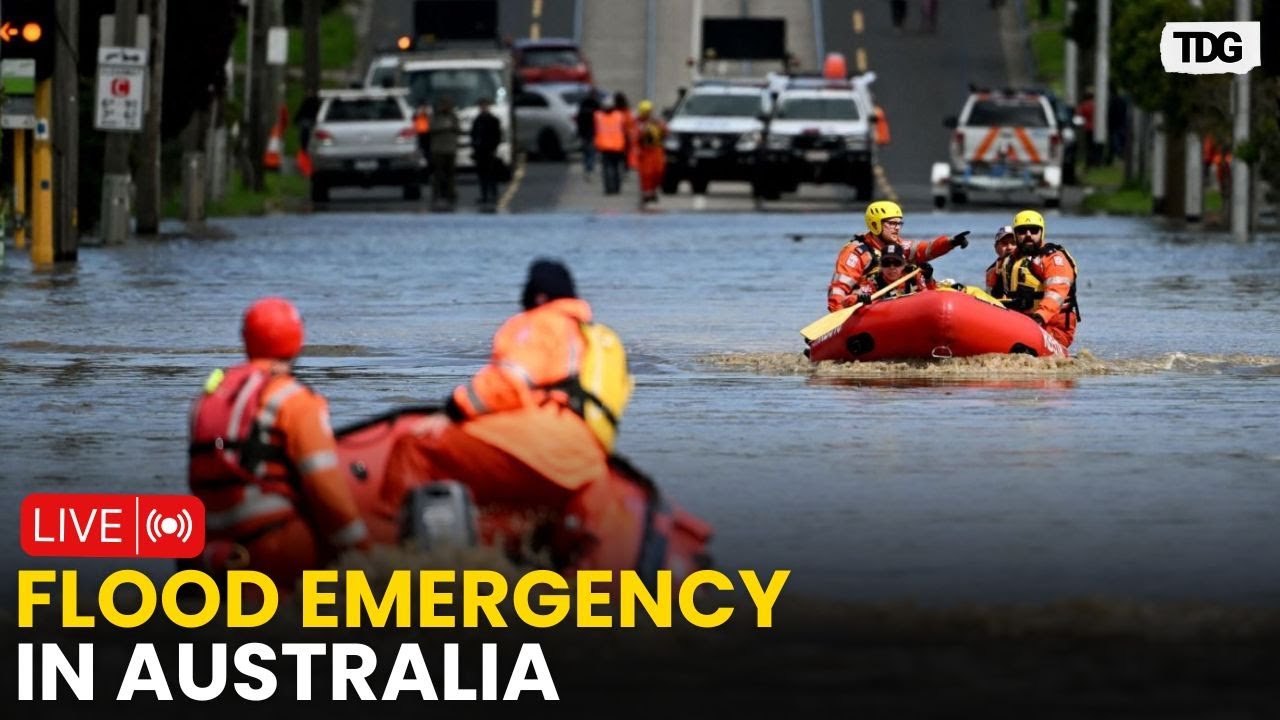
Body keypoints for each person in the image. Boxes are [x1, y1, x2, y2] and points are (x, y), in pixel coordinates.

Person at [383, 260, 631, 568]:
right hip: (585, 464)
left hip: (539, 448)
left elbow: (508, 381)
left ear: (539, 296)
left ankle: (385, 551)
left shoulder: (542, 322)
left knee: (414, 446)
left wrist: (453, 411)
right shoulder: (596, 340)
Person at [188, 297, 369, 590]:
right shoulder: (294, 400)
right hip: (272, 548)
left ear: (245, 338)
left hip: (208, 553)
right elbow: (326, 488)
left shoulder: (208, 397)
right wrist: (364, 554)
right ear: (298, 340)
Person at [827, 200, 970, 312]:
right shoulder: (856, 252)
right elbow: (839, 287)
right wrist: (838, 311)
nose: (897, 228)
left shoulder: (900, 246)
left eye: (899, 223)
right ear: (875, 224)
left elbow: (926, 249)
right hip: (865, 304)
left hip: (898, 303)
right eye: (892, 223)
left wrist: (950, 242)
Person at [999, 210, 1081, 348]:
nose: (1028, 235)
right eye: (1022, 231)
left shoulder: (1053, 259)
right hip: (1021, 322)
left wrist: (1040, 316)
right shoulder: (1009, 261)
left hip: (1053, 328)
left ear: (1041, 232)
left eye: (1034, 230)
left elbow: (1057, 293)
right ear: (1015, 234)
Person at [852, 242, 932, 305]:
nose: (892, 267)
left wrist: (928, 279)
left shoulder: (915, 275)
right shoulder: (873, 282)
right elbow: (850, 299)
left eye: (896, 263)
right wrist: (859, 299)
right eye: (886, 263)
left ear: (904, 265)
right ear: (881, 266)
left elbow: (930, 296)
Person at [633, 99, 667, 207]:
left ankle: (653, 191)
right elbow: (635, 138)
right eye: (645, 112)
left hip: (657, 150)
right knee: (646, 174)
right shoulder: (638, 123)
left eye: (648, 111)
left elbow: (665, 132)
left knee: (658, 172)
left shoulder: (656, 122)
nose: (647, 114)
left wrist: (660, 125)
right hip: (645, 151)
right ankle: (646, 194)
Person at [429, 96, 461, 210]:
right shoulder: (435, 117)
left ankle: (450, 194)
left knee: (450, 174)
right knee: (438, 174)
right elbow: (431, 128)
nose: (445, 107)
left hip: (450, 149)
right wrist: (444, 126)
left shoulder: (453, 116)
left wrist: (451, 127)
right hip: (438, 149)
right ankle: (436, 194)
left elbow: (458, 129)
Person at [471, 97, 503, 207]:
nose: (483, 108)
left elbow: (497, 136)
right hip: (480, 151)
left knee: (491, 174)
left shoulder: (493, 120)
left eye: (484, 106)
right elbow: (473, 135)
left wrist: (494, 148)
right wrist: (475, 147)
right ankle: (484, 195)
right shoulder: (477, 120)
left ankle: (493, 194)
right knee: (482, 175)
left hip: (490, 150)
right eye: (481, 106)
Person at [594, 95, 627, 195]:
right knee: (616, 168)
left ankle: (609, 189)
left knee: (607, 169)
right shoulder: (620, 115)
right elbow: (625, 130)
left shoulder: (598, 116)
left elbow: (595, 130)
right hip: (617, 146)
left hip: (605, 147)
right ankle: (616, 188)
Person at [985, 225, 1018, 298]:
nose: (1009, 247)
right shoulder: (991, 271)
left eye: (1013, 243)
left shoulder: (1029, 264)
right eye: (1005, 243)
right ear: (996, 247)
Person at [576, 88, 600, 176]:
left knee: (587, 150)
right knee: (591, 150)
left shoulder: (583, 103)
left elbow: (579, 118)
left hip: (585, 131)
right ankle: (589, 167)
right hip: (591, 131)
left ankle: (588, 167)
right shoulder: (596, 104)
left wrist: (579, 130)